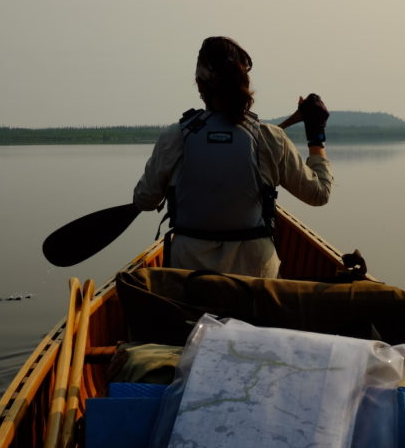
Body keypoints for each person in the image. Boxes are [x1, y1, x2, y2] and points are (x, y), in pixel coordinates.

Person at [132, 36, 333, 278]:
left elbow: (144, 200)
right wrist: (316, 135)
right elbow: (319, 194)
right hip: (255, 278)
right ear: (244, 82)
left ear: (199, 84)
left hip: (189, 276)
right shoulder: (271, 138)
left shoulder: (175, 137)